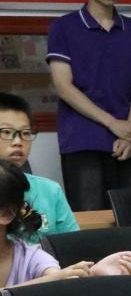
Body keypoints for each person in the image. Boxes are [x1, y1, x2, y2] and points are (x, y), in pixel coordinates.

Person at [47, 0, 131, 210]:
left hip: (129, 140)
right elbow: (63, 86)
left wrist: (129, 134)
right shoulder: (64, 27)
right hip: (83, 139)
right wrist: (112, 123)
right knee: (90, 219)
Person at [0, 160, 131, 286]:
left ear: (6, 214)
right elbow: (56, 278)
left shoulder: (32, 258)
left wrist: (90, 274)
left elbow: (60, 283)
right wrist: (56, 278)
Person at [0, 92, 77, 241]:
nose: (18, 142)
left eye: (26, 133)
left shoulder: (50, 190)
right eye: (7, 132)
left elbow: (73, 247)